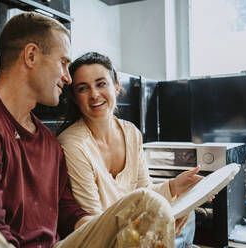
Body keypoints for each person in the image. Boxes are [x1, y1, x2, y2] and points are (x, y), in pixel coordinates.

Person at [0, 13, 178, 248]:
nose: (68, 77)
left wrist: (109, 230)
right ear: (31, 56)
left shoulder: (47, 142)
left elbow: (66, 210)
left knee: (148, 205)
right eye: (63, 63)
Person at [57, 52, 202, 248]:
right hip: (100, 236)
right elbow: (95, 221)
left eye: (101, 84)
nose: (94, 95)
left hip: (130, 227)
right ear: (75, 98)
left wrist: (175, 186)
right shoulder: (73, 143)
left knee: (188, 213)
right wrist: (158, 222)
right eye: (83, 88)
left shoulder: (131, 132)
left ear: (116, 87)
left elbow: (144, 191)